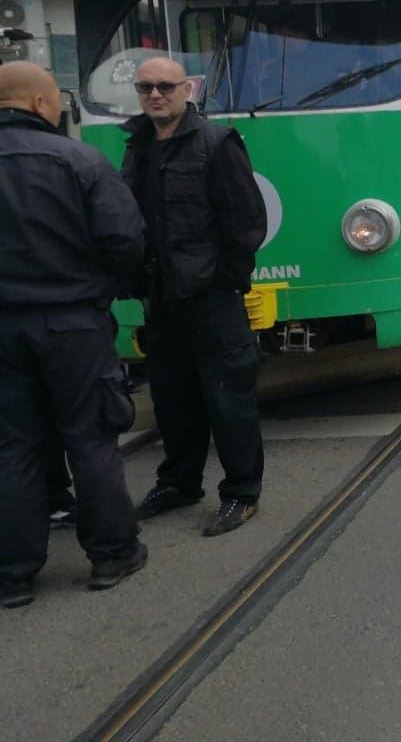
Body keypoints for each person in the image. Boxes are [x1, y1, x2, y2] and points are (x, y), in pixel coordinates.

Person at [0, 61, 147, 609]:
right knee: (90, 436)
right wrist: (103, 287)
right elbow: (125, 241)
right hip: (72, 324)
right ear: (42, 104)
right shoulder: (80, 161)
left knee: (14, 445)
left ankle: (13, 575)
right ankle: (112, 553)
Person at [121, 56, 268, 537]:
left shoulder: (217, 143)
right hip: (161, 298)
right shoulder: (138, 146)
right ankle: (180, 482)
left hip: (210, 298)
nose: (155, 95)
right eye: (145, 87)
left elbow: (246, 223)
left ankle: (242, 493)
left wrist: (223, 280)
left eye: (165, 86)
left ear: (188, 89)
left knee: (228, 399)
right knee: (173, 399)